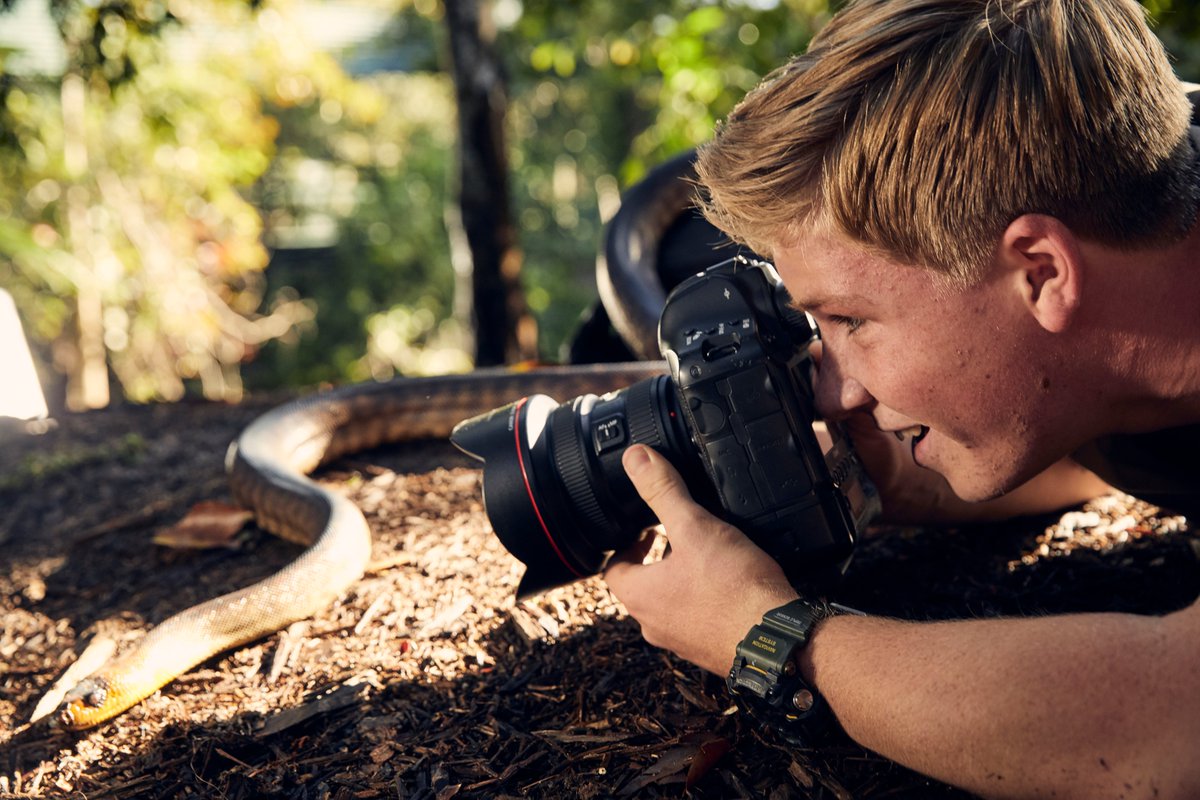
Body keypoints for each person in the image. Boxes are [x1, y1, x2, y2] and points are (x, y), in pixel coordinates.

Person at [602, 1, 1200, 797]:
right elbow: (1111, 448)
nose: (833, 381)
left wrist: (763, 631)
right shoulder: (1138, 320)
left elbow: (1166, 723)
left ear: (1042, 272)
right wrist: (865, 476)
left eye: (850, 320)